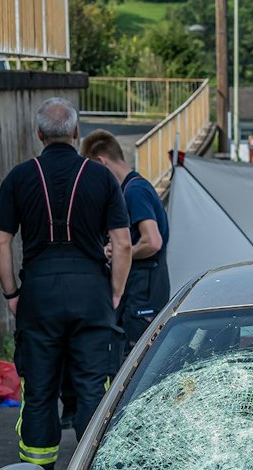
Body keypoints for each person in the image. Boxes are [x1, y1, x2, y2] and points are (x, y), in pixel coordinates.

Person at [0, 98, 131, 470]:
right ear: (75, 131)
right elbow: (122, 243)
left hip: (38, 292)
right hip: (91, 293)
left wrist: (11, 294)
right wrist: (114, 293)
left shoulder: (19, 177)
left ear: (38, 134)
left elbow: (0, 242)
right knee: (92, 390)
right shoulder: (101, 177)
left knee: (38, 391)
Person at [83, 129, 171, 354]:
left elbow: (152, 241)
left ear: (101, 162)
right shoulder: (134, 188)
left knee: (135, 361)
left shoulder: (134, 192)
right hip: (143, 290)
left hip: (144, 294)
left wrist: (122, 252)